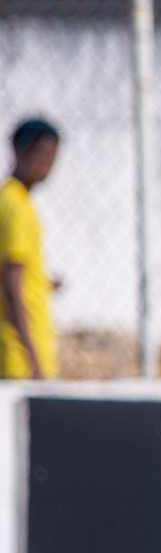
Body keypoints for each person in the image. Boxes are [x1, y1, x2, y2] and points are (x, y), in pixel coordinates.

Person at [1, 118, 61, 380]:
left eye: (51, 158)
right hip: (19, 358)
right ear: (18, 151)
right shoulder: (13, 204)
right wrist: (33, 358)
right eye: (40, 155)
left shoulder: (22, 202)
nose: (45, 166)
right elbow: (11, 284)